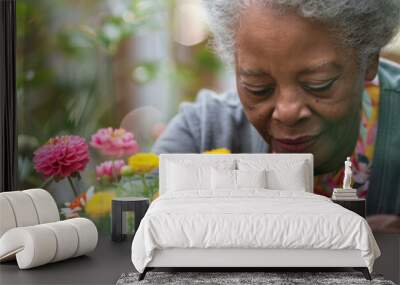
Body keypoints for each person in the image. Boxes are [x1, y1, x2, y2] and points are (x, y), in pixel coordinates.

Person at [151, 0, 400, 232]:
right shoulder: (202, 135)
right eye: (258, 87)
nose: (287, 111)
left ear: (369, 59)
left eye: (319, 84)